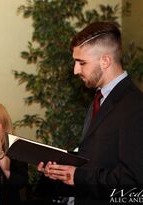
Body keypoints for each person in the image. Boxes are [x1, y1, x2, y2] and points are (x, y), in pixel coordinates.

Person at [37, 21, 143, 204]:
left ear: (105, 61)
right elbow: (96, 160)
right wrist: (61, 171)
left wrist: (78, 176)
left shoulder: (135, 106)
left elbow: (133, 182)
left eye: (82, 62)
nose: (75, 70)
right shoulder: (99, 98)